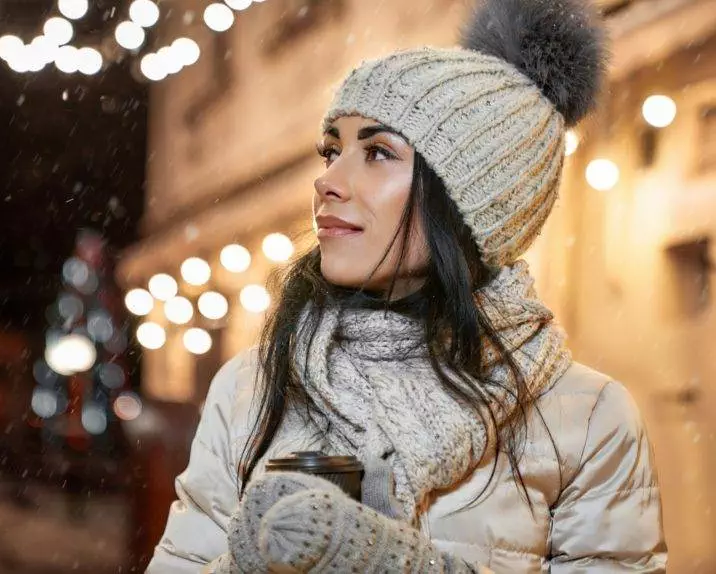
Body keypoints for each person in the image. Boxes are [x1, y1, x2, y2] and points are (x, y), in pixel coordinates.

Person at [148, 0, 668, 571]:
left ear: (471, 202)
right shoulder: (252, 386)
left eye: (377, 152)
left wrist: (397, 564)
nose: (327, 180)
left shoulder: (586, 417)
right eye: (332, 150)